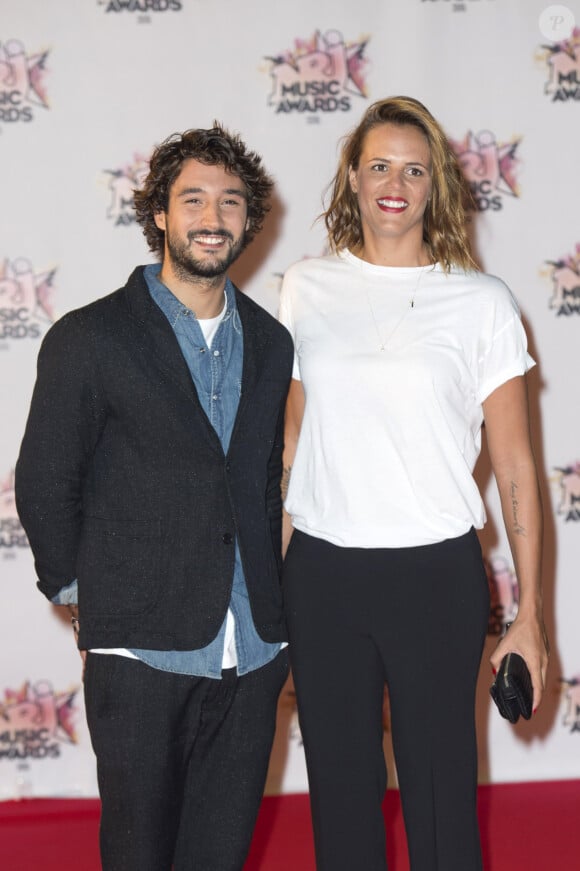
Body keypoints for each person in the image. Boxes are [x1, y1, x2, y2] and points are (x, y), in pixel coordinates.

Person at [279, 96, 549, 871]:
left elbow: (517, 468)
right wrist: (268, 582)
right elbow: (292, 444)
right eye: (379, 166)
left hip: (435, 573)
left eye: (414, 168)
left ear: (437, 187)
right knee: (340, 794)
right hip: (323, 574)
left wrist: (529, 615)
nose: (394, 182)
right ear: (353, 181)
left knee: (440, 798)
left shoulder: (484, 303)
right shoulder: (304, 287)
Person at [15, 124, 293, 871]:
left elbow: (264, 483)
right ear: (160, 215)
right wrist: (90, 598)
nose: (214, 216)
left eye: (231, 201)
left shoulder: (272, 343)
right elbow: (45, 479)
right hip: (138, 651)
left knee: (220, 855)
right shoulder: (90, 337)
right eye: (193, 198)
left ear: (249, 218)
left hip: (254, 647)